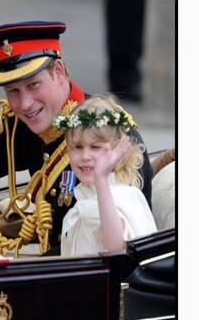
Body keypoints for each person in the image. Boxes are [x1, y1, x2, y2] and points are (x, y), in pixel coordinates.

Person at [0, 21, 153, 255]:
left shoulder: (109, 133)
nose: (25, 103)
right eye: (13, 91)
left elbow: (123, 245)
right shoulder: (23, 128)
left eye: (33, 85)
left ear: (59, 71)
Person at [51, 93, 157, 256]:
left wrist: (100, 179)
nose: (85, 156)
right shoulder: (84, 194)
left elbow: (115, 249)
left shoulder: (124, 196)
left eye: (95, 147)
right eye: (78, 147)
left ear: (117, 150)